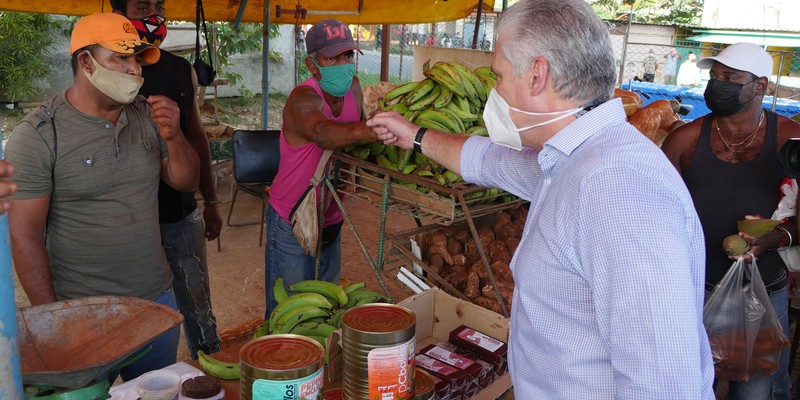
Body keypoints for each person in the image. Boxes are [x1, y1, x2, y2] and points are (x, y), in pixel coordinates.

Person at [368, 0, 714, 397]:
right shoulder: (576, 160)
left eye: (498, 75)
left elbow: (665, 384)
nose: (494, 91)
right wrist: (415, 136)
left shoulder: (617, 189)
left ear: (536, 74)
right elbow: (493, 162)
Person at [5, 13, 199, 379]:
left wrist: (175, 137)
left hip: (155, 300)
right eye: (121, 58)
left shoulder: (146, 115)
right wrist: (53, 318)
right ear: (86, 62)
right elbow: (24, 234)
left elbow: (185, 182)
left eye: (137, 59)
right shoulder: (39, 135)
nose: (133, 70)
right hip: (82, 311)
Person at [662, 42, 798, 400]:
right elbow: (658, 215)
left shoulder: (789, 140)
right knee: (689, 387)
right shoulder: (684, 139)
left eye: (731, 77)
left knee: (754, 391)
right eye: (714, 76)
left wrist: (776, 237)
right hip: (692, 291)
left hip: (763, 294)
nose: (718, 83)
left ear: (760, 86)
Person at [111, 0, 223, 361]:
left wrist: (212, 201)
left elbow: (197, 137)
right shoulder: (105, 70)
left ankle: (208, 369)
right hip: (129, 224)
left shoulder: (181, 69)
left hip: (179, 214)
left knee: (197, 304)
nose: (154, 15)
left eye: (158, 5)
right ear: (119, 15)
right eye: (142, 7)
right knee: (137, 318)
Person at [264, 19, 378, 316]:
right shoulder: (301, 99)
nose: (343, 64)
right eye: (332, 58)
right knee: (288, 312)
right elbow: (323, 133)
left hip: (331, 216)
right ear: (312, 64)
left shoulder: (354, 88)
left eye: (347, 55)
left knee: (327, 309)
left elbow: (360, 139)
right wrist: (368, 130)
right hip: (293, 217)